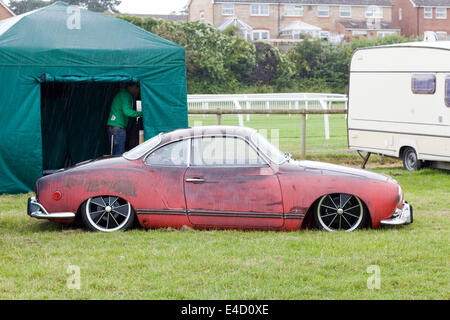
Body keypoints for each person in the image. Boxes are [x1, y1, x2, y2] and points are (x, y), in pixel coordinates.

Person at [107, 83, 142, 155]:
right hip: (118, 130)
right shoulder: (126, 95)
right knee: (119, 155)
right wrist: (142, 114)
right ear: (134, 87)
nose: (137, 92)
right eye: (138, 89)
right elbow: (127, 112)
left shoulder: (121, 94)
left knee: (114, 155)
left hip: (112, 128)